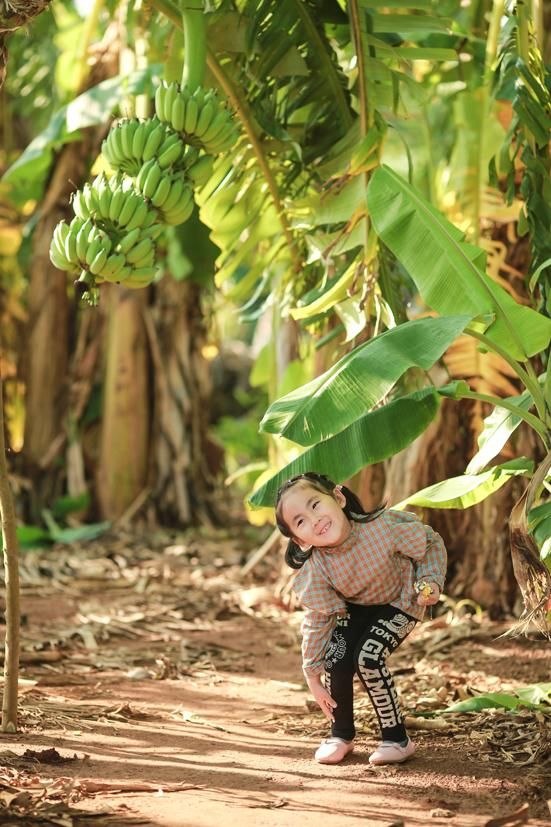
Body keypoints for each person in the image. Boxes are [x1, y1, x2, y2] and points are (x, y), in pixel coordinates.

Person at [275, 471, 447, 766]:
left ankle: (396, 739)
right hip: (355, 608)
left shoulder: (383, 528)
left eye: (315, 505)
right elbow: (319, 620)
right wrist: (311, 673)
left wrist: (430, 581)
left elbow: (430, 543)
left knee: (368, 657)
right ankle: (340, 734)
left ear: (338, 498)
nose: (314, 519)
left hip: (400, 601)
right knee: (336, 657)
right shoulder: (316, 567)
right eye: (301, 521)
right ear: (299, 540)